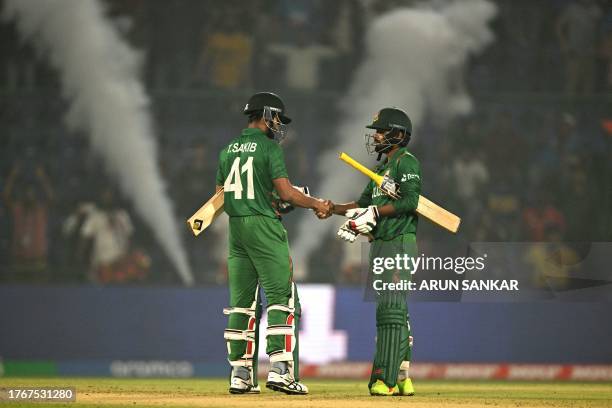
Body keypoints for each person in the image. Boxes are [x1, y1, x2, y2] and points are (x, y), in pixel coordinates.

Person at [215, 91, 332, 395]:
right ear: (266, 114)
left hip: (236, 227)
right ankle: (281, 371)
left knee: (242, 304)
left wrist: (262, 199)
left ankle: (240, 375)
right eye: (277, 117)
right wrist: (316, 202)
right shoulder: (269, 148)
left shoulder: (227, 150)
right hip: (264, 227)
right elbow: (287, 193)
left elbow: (220, 196)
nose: (279, 124)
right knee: (283, 297)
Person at [328, 107, 419, 396]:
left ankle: (386, 380)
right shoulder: (381, 171)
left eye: (381, 130)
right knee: (395, 311)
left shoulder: (407, 163)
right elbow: (362, 204)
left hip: (399, 243)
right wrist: (333, 209)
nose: (376, 135)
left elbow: (410, 202)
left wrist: (375, 214)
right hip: (380, 245)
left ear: (398, 135)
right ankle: (403, 375)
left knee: (390, 311)